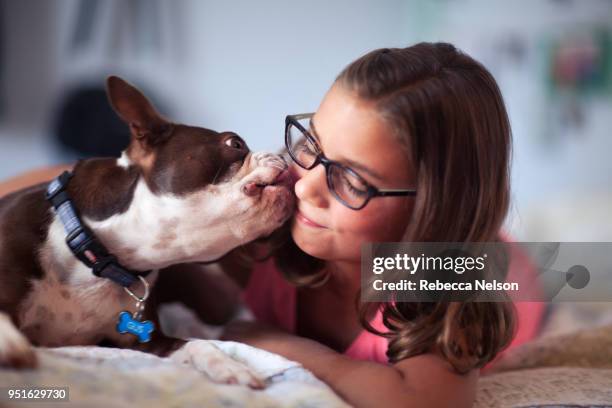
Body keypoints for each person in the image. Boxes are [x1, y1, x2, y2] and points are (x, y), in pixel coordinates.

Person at [1, 42, 546, 407]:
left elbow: (417, 400)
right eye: (311, 145)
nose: (303, 183)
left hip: (516, 274)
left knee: (575, 267)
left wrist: (267, 340)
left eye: (350, 180)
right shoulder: (276, 223)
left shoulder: (447, 275)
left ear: (432, 209)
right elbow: (70, 188)